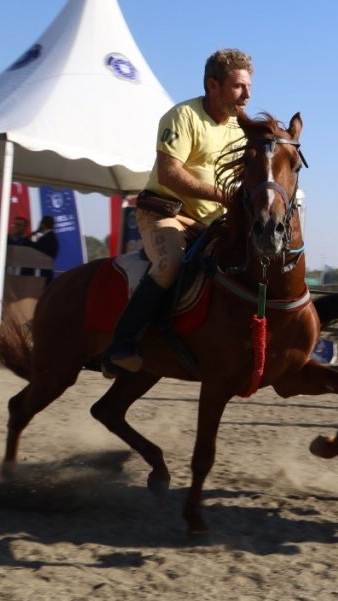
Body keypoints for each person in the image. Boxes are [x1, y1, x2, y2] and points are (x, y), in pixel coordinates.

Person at [102, 48, 253, 378]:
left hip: (210, 224)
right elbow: (170, 174)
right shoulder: (181, 116)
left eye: (248, 86)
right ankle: (121, 346)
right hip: (164, 212)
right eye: (239, 86)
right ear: (213, 85)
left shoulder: (242, 130)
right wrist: (225, 196)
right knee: (170, 262)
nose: (248, 94)